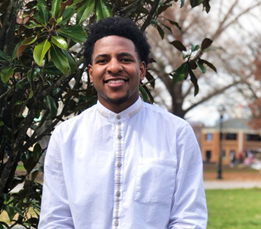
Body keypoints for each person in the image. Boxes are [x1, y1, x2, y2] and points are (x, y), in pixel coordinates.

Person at [38, 16, 207, 228]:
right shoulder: (65, 138)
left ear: (142, 70)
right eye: (102, 60)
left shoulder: (177, 133)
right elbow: (56, 220)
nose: (114, 67)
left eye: (125, 59)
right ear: (91, 73)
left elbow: (189, 219)